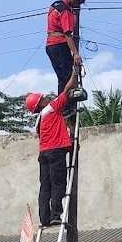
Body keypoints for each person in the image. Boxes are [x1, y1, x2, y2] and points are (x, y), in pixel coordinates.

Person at [26, 71, 78, 226]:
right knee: (58, 183)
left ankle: (44, 218)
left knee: (45, 186)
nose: (45, 98)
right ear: (40, 103)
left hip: (44, 154)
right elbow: (67, 91)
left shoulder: (39, 120)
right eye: (42, 98)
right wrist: (74, 73)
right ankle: (56, 215)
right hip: (56, 152)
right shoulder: (52, 108)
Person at [46, 0, 87, 94]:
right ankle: (66, 107)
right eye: (78, 2)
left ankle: (61, 105)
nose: (78, 5)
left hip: (50, 45)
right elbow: (68, 34)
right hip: (60, 44)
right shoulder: (65, 10)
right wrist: (76, 54)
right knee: (68, 77)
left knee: (62, 78)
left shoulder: (55, 5)